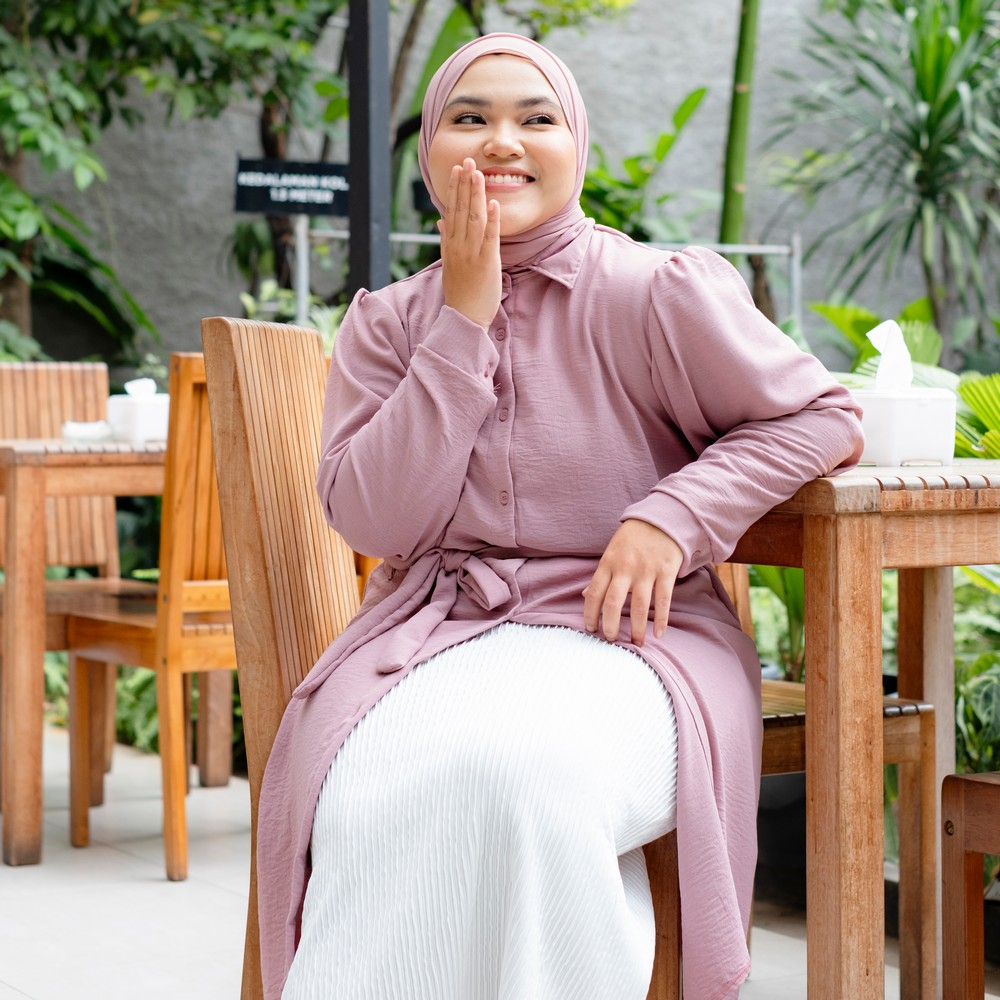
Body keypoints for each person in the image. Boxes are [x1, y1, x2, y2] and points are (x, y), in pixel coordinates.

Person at [259, 32, 864, 1000]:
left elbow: (820, 416)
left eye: (534, 118)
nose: (502, 141)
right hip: (436, 638)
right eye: (469, 118)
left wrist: (673, 513)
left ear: (575, 143)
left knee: (528, 780)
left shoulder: (654, 292)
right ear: (431, 151)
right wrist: (461, 321)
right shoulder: (390, 323)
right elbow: (376, 519)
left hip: (631, 635)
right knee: (369, 789)